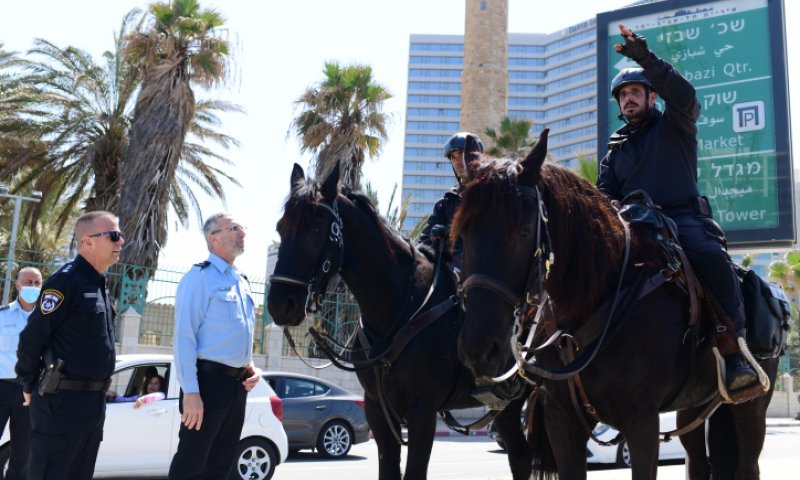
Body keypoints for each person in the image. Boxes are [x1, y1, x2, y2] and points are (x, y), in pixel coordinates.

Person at [597, 24, 758, 391]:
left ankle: (734, 350)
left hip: (681, 219)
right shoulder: (614, 150)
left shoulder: (676, 125)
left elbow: (684, 96)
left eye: (636, 92)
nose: (628, 100)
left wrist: (644, 59)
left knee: (710, 256)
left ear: (652, 98)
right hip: (633, 227)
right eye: (623, 95)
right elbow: (603, 197)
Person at [15, 211, 122, 479]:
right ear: (87, 241)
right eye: (113, 235)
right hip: (61, 404)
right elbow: (32, 337)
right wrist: (28, 383)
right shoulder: (66, 281)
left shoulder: (99, 285)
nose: (120, 242)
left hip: (92, 404)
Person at [168, 213, 260, 480]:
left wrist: (250, 365)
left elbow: (237, 332)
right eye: (234, 228)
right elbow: (185, 337)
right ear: (213, 238)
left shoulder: (241, 281)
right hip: (207, 385)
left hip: (236, 386)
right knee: (191, 463)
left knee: (221, 466)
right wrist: (191, 392)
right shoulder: (199, 277)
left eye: (243, 228)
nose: (242, 233)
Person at [418, 131, 484, 269]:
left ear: (476, 156)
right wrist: (434, 236)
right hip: (449, 276)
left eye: (462, 154)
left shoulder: (490, 196)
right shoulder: (446, 202)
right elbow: (422, 243)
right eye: (453, 157)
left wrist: (448, 233)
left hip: (482, 274)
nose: (457, 161)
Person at [0, 267, 42, 480]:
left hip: (30, 391)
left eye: (37, 283)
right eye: (28, 282)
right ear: (17, 285)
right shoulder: (2, 315)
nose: (32, 287)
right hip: (2, 387)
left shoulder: (46, 320)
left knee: (23, 453)